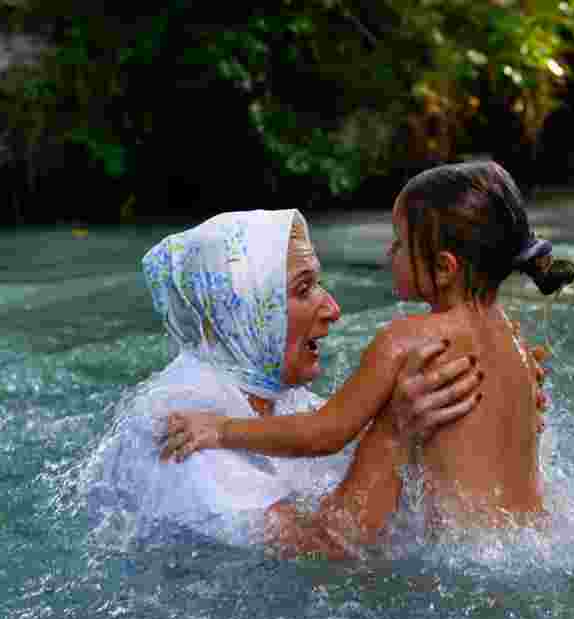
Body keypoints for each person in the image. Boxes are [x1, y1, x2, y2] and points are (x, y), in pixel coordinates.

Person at [161, 161, 574, 557]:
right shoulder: (518, 344)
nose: (388, 255)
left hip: (464, 557)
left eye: (398, 243)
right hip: (533, 541)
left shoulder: (406, 340)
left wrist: (221, 430)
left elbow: (325, 433)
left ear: (444, 268)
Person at [85, 208, 497, 546]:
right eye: (304, 290)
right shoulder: (178, 427)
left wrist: (478, 389)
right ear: (242, 312)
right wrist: (394, 431)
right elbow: (322, 553)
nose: (333, 308)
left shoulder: (279, 400)